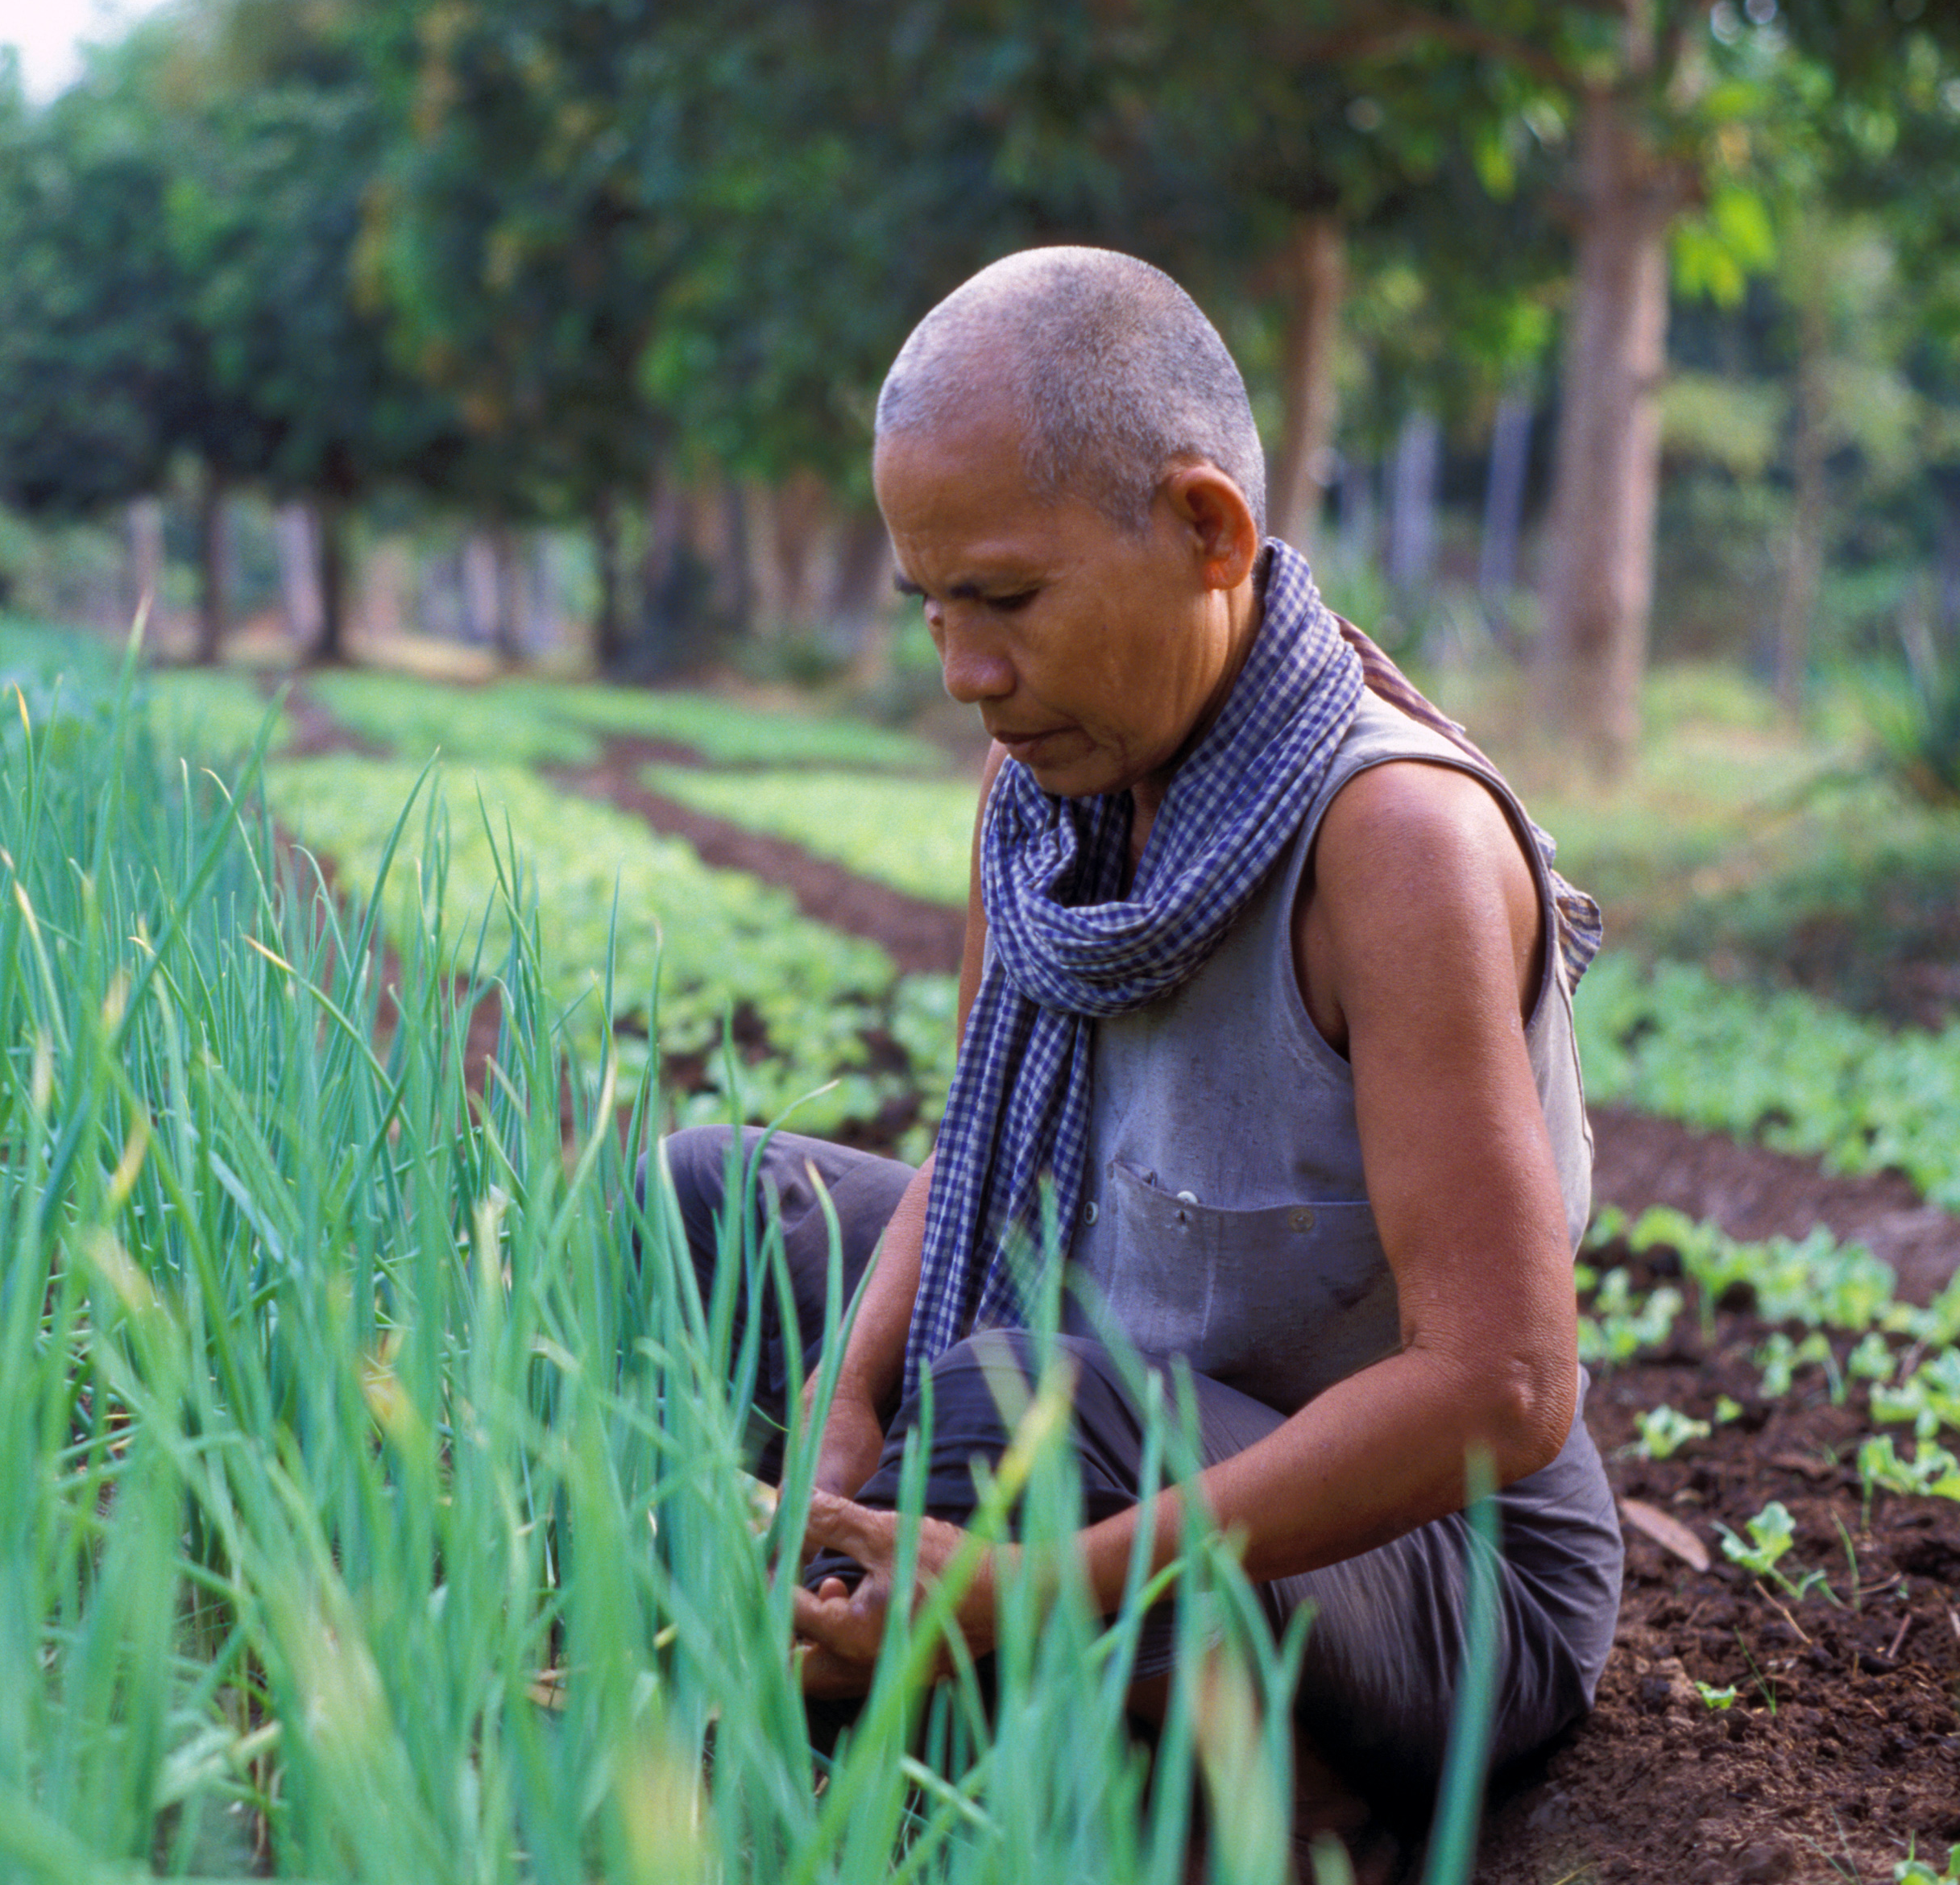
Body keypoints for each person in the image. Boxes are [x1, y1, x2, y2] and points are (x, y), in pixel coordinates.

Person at [644, 246, 1620, 1851]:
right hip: (1131, 1400)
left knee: (1009, 1406)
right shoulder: (1040, 792)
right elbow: (971, 1150)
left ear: (1205, 530)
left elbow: (1502, 1384)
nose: (963, 672)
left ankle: (902, 1755)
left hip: (1438, 1564)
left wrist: (1038, 1580)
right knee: (699, 1205)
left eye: (1007, 599)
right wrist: (838, 1393)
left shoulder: (1391, 843)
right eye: (933, 608)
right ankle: (967, 1658)